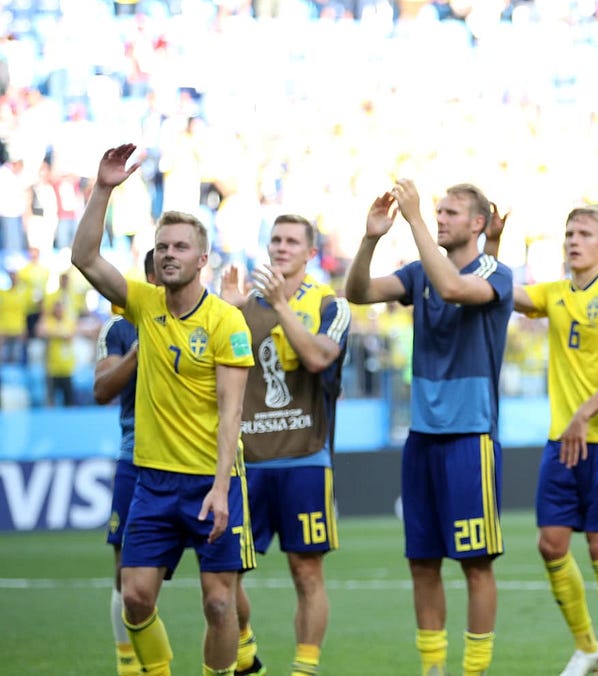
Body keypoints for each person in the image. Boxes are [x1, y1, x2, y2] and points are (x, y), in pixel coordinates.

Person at [72, 143, 256, 676]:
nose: (169, 253)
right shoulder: (142, 303)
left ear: (202, 259)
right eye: (162, 246)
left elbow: (231, 414)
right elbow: (84, 258)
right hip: (153, 481)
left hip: (210, 480)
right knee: (134, 598)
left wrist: (221, 488)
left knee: (219, 603)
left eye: (180, 246)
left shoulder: (226, 322)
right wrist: (104, 188)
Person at [345, 180, 513, 676]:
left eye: (450, 212)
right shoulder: (419, 272)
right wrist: (371, 239)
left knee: (476, 564)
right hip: (422, 435)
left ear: (477, 225)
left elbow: (453, 288)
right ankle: (433, 670)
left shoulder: (494, 272)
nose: (439, 218)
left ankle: (473, 672)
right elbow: (357, 292)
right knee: (422, 562)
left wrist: (413, 217)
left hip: (471, 434)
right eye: (436, 211)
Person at [509, 207, 598, 676]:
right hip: (562, 440)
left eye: (584, 233)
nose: (573, 241)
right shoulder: (553, 293)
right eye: (568, 233)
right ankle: (589, 648)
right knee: (550, 545)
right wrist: (490, 248)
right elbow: (495, 293)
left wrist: (583, 413)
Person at [220, 214, 349, 676]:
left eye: (292, 241)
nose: (281, 247)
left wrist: (279, 306)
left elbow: (316, 357)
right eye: (275, 239)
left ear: (310, 252)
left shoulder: (330, 305)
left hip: (305, 460)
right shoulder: (241, 307)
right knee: (224, 575)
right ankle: (246, 648)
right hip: (247, 463)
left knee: (306, 572)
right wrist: (233, 310)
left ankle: (304, 670)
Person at [93, 249, 156, 676]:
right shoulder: (119, 328)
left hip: (195, 457)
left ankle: (239, 657)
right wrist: (138, 351)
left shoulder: (209, 317)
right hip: (136, 455)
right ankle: (128, 665)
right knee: (126, 569)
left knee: (220, 579)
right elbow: (101, 389)